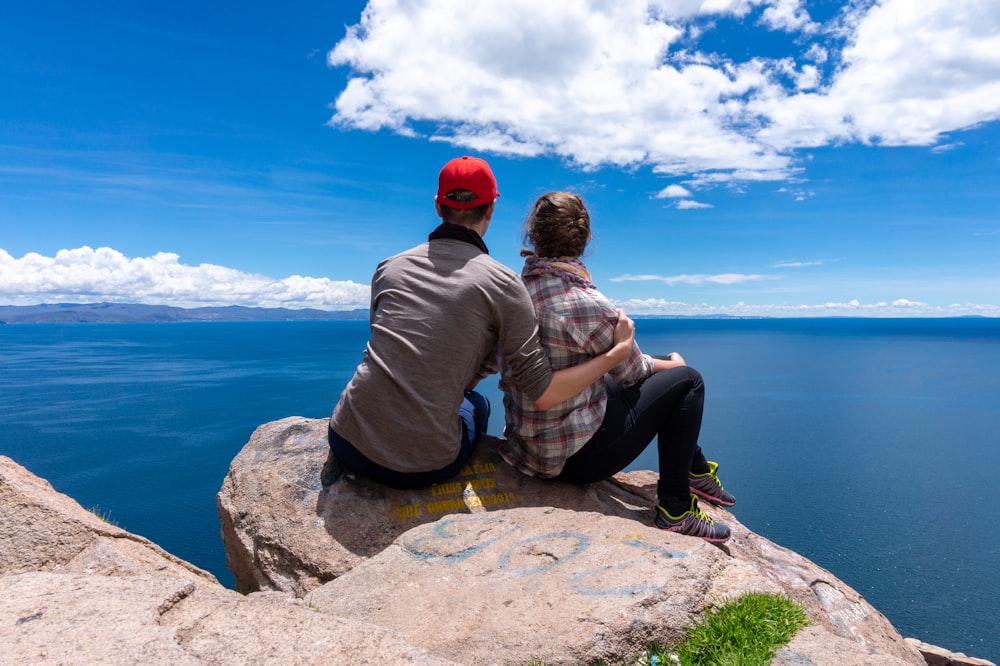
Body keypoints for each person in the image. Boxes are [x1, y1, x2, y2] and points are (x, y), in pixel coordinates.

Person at [325, 158, 636, 490]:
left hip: (346, 436)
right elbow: (540, 388)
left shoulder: (389, 267)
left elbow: (388, 350)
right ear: (490, 209)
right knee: (478, 404)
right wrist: (615, 355)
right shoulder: (502, 284)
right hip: (420, 466)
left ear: (437, 205)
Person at [498, 191, 735, 542]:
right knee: (689, 382)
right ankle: (676, 510)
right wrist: (675, 366)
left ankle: (696, 471)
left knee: (639, 383)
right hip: (573, 460)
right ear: (584, 239)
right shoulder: (586, 303)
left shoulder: (514, 293)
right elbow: (633, 372)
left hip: (527, 448)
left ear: (534, 235)